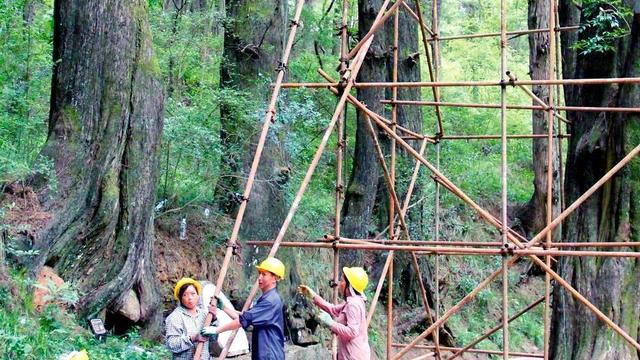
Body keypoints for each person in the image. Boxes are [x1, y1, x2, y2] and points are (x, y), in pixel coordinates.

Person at [201, 257, 286, 360]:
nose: (259, 278)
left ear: (275, 278)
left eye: (264, 274)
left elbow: (242, 321)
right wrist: (224, 308)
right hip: (265, 353)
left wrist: (217, 330)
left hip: (269, 354)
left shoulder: (270, 301)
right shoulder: (267, 298)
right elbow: (246, 318)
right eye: (259, 273)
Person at [298, 267, 371, 360]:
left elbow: (352, 332)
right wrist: (313, 296)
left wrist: (331, 323)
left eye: (342, 281)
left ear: (350, 286)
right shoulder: (353, 301)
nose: (340, 284)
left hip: (353, 356)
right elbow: (333, 309)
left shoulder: (353, 305)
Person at [165, 277, 216, 360]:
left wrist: (213, 320)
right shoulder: (175, 317)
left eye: (193, 294)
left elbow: (214, 339)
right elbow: (171, 345)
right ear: (180, 298)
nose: (190, 298)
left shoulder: (204, 315)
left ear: (198, 295)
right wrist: (192, 338)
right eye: (185, 295)